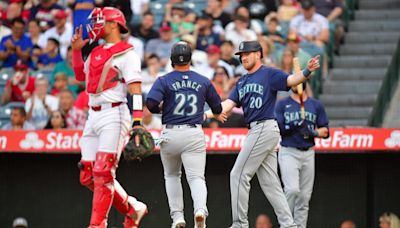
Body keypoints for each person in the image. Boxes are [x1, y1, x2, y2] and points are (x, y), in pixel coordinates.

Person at [205, 40, 320, 228]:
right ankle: (289, 224)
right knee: (271, 184)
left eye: (247, 53)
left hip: (264, 127)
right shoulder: (241, 81)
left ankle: (239, 224)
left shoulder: (268, 73)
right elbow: (226, 105)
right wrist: (206, 114)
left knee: (238, 175)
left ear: (258, 54)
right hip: (257, 130)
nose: (243, 57)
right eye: (241, 55)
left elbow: (291, 80)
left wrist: (306, 71)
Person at [71, 7, 147, 228]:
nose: (95, 25)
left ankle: (98, 225)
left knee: (103, 172)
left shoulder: (128, 53)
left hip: (115, 114)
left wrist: (138, 122)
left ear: (114, 24)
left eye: (101, 21)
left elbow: (135, 91)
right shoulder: (95, 52)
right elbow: (79, 76)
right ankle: (133, 209)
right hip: (92, 116)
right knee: (88, 176)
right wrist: (76, 51)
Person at [146, 41, 223, 228]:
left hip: (171, 133)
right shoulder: (203, 80)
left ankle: (178, 217)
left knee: (172, 176)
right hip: (193, 132)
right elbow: (218, 108)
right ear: (190, 59)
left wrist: (163, 107)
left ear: (172, 60)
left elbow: (150, 103)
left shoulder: (164, 80)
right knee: (196, 177)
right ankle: (200, 210)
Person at [275, 82, 329, 228]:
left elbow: (325, 131)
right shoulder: (282, 104)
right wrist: (296, 124)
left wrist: (313, 132)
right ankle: (286, 224)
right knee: (292, 190)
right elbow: (279, 128)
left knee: (305, 197)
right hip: (289, 151)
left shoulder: (315, 105)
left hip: (308, 152)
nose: (297, 84)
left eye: (299, 80)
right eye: (294, 81)